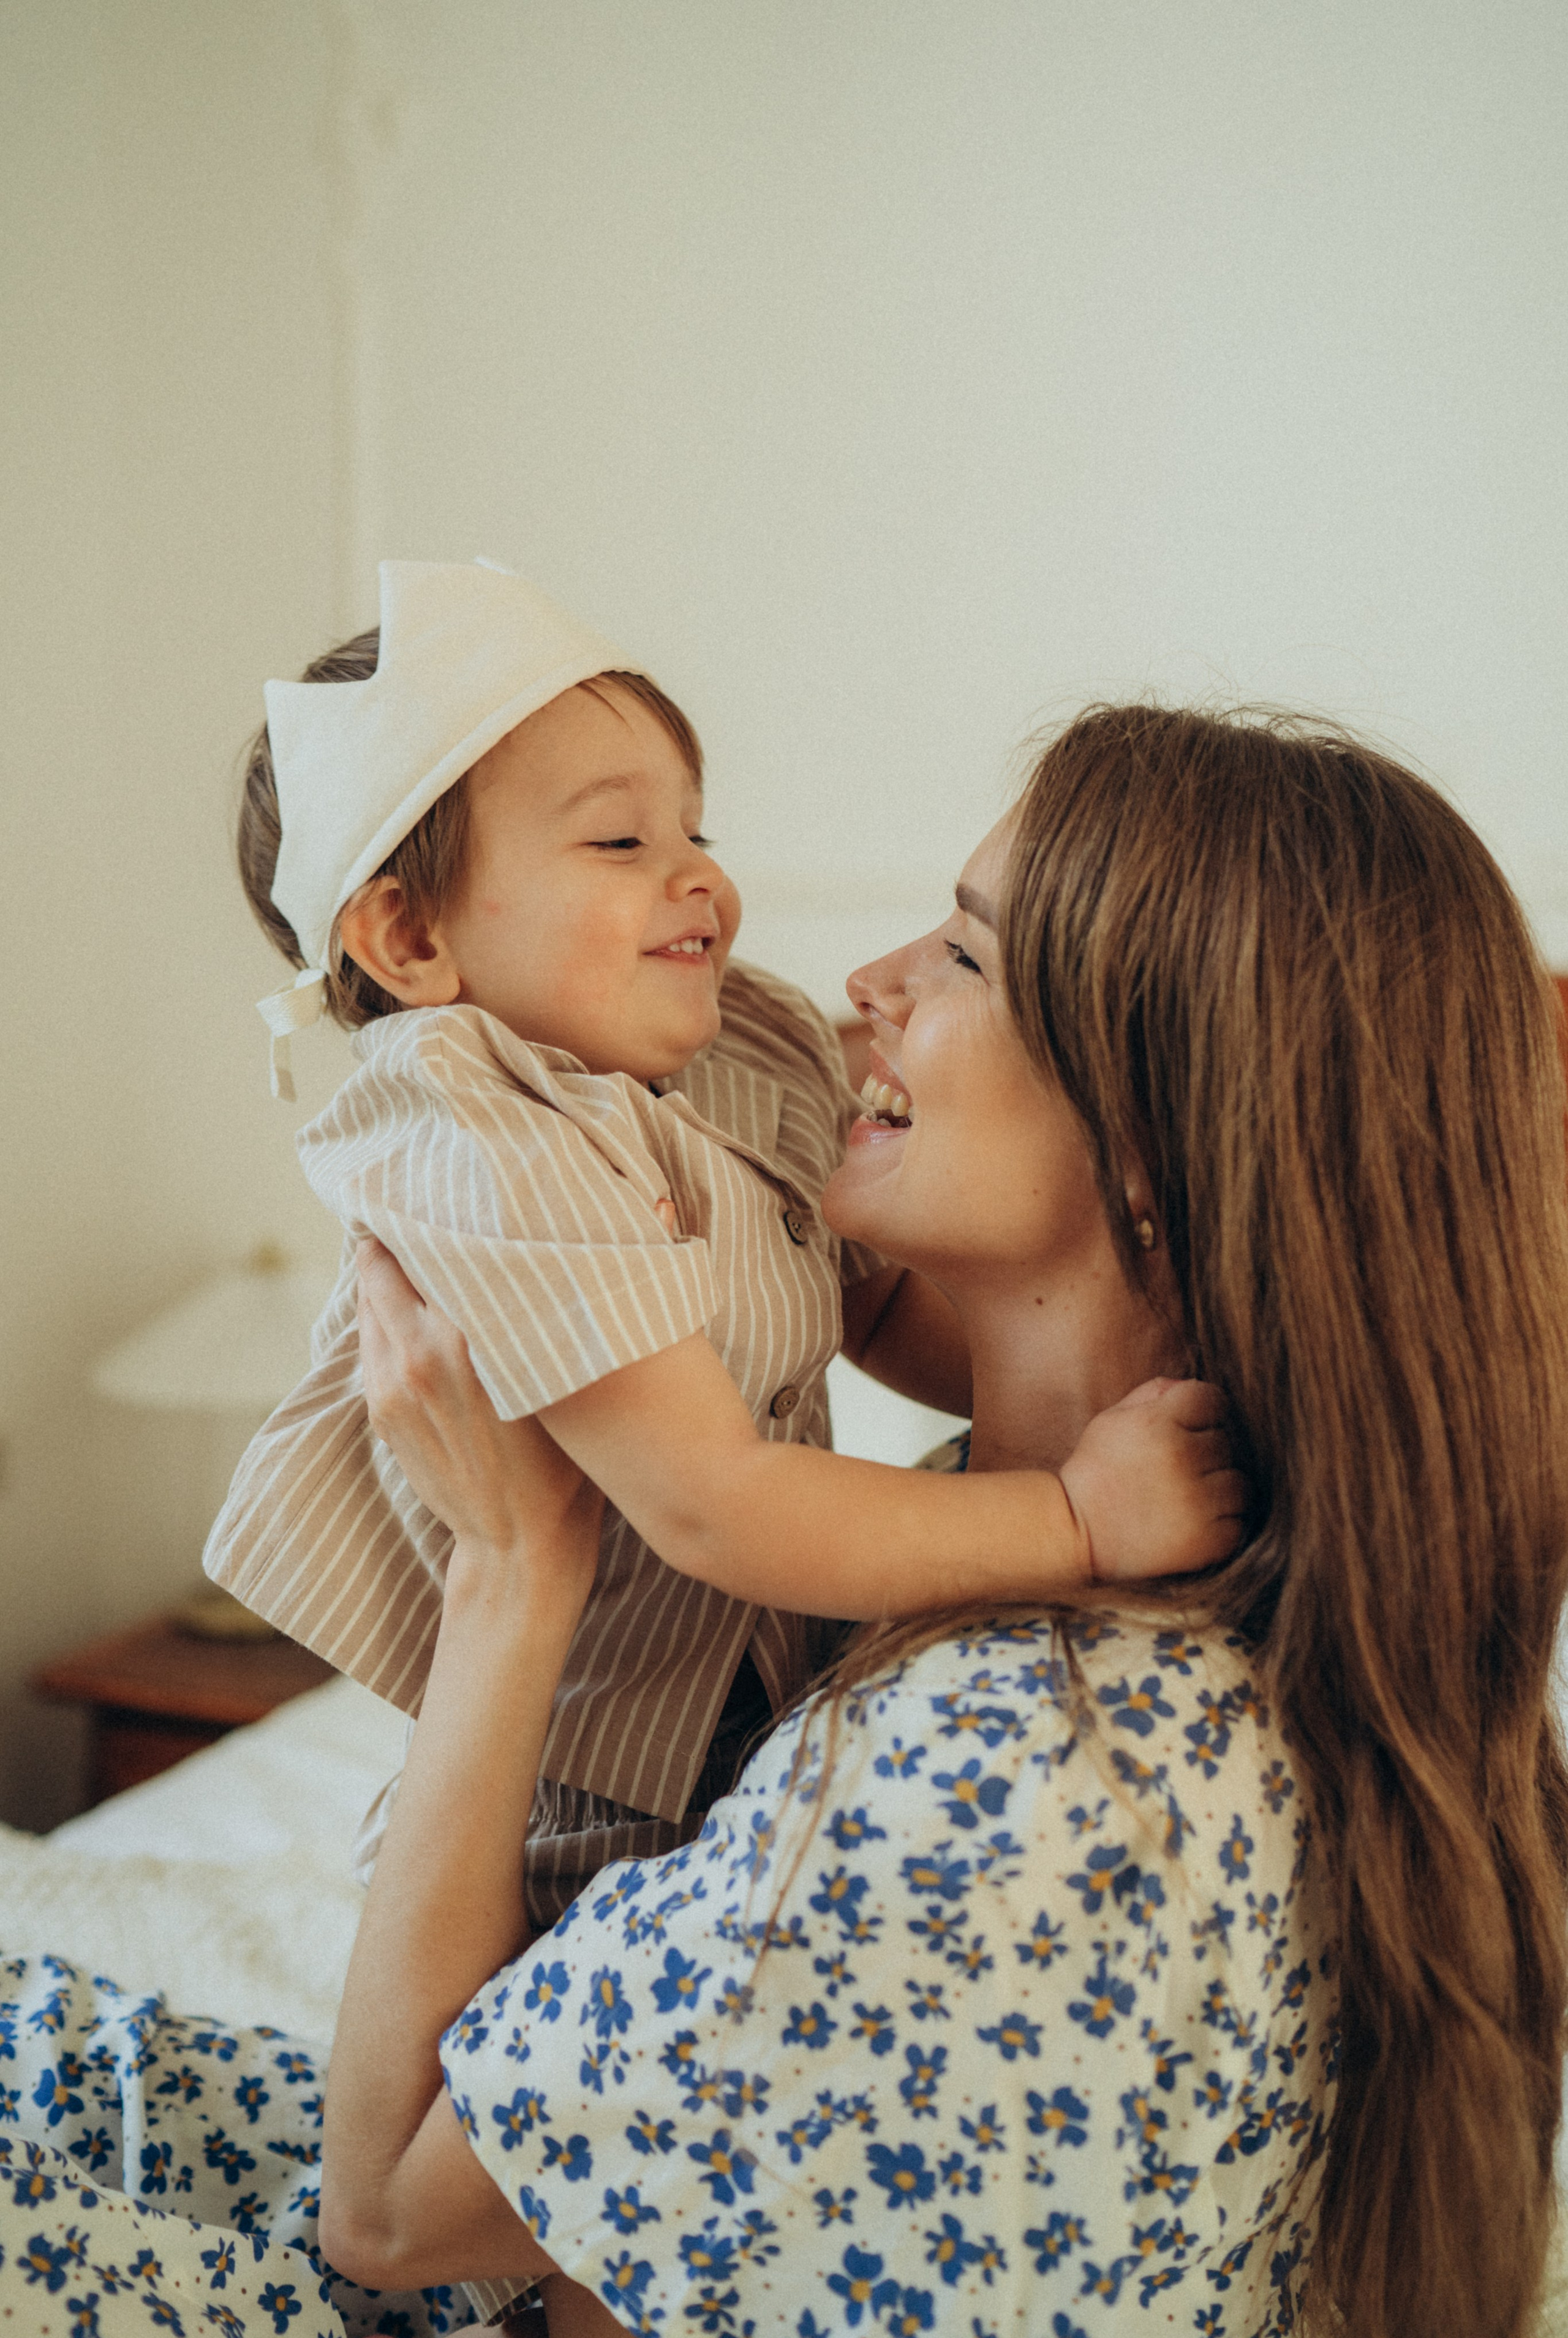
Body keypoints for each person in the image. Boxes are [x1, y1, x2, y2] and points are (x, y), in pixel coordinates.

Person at [4, 705, 1564, 2338]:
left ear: (1153, 1150)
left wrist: (513, 1566)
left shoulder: (997, 1783)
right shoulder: (1130, 1550)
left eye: (963, 953)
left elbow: (383, 2212)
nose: (868, 983)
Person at [208, 559, 1238, 1929]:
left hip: (762, 1708)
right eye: (618, 843)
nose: (700, 875)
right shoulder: (466, 1135)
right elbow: (712, 1503)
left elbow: (875, 1310)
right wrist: (1079, 1516)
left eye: (695, 828)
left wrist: (1122, 1399)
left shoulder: (736, 1050)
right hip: (579, 1798)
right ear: (406, 936)